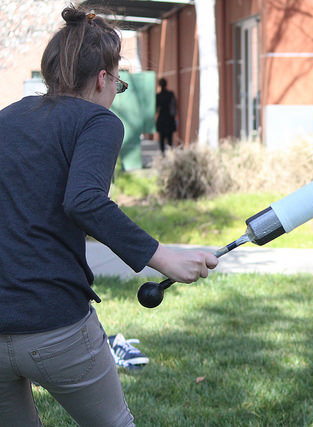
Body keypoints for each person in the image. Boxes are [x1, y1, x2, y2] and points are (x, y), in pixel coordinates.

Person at [0, 6, 217, 426]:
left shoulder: (6, 118)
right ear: (102, 77)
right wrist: (164, 257)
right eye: (118, 84)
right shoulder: (97, 119)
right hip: (56, 326)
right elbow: (83, 201)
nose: (114, 91)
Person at [155, 77, 177, 154]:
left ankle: (163, 155)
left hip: (161, 120)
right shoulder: (170, 94)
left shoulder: (158, 96)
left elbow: (155, 109)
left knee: (161, 139)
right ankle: (170, 156)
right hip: (170, 120)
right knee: (170, 140)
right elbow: (174, 107)